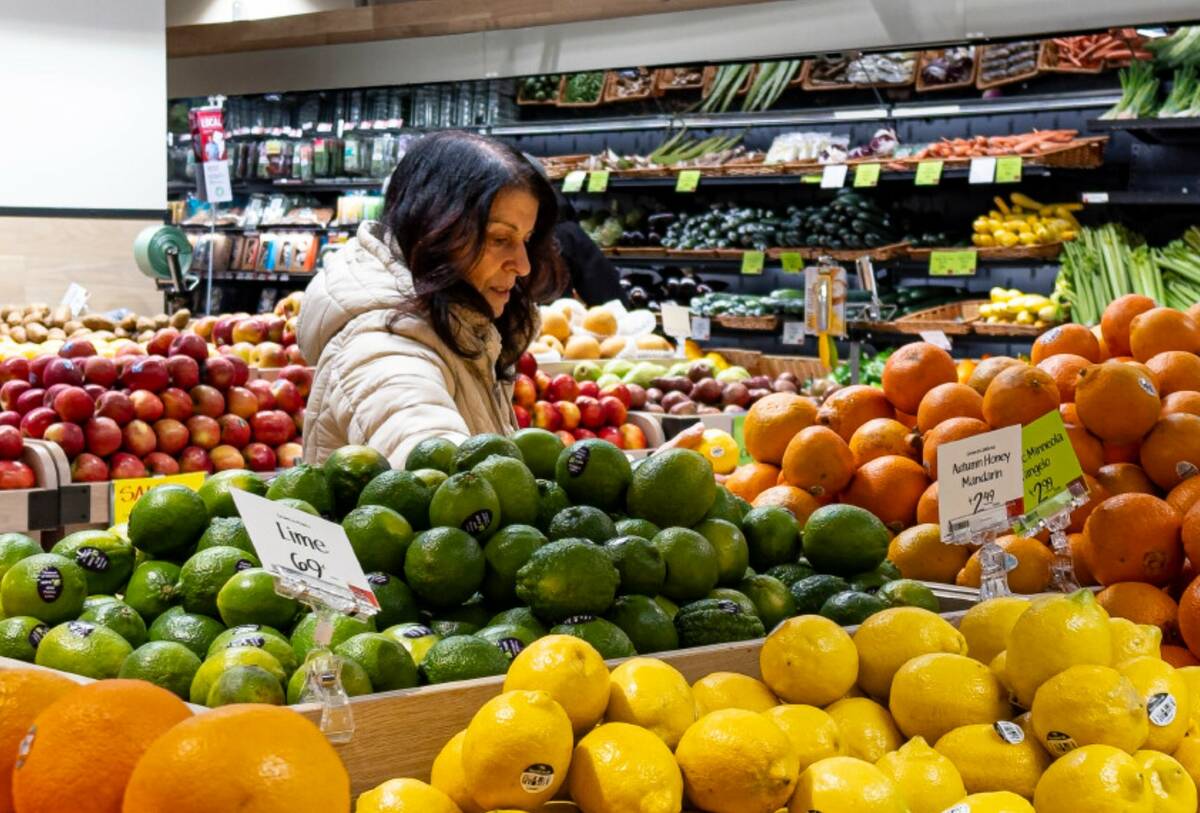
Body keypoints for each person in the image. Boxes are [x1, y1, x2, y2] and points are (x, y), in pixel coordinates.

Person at [297, 131, 567, 467]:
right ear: (436, 229)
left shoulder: (464, 325)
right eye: (500, 238)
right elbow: (434, 462)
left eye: (526, 239)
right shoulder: (381, 349)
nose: (523, 265)